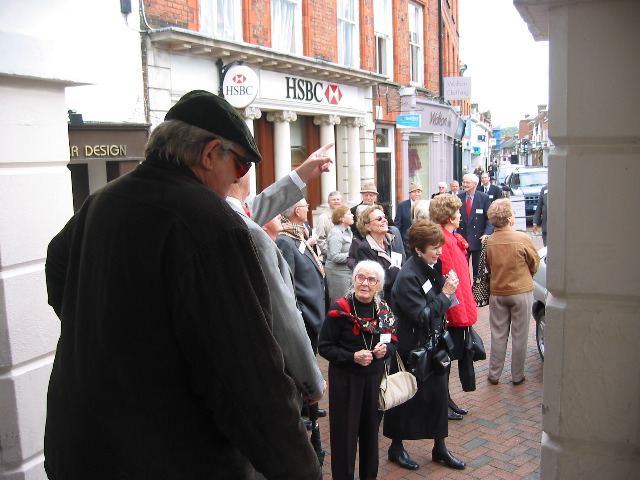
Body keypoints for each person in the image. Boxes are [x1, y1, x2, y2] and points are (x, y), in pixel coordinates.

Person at [44, 90, 324, 480]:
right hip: (164, 455)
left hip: (77, 446)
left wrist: (108, 336)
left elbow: (57, 265)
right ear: (210, 153)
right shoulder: (208, 221)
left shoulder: (104, 199)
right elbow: (250, 379)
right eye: (241, 165)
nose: (239, 179)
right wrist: (300, 470)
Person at [227, 172, 326, 405]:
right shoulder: (254, 234)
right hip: (267, 367)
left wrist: (303, 172)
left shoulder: (225, 215)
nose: (280, 219)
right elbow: (284, 310)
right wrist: (310, 381)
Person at [383, 220, 466, 471]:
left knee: (438, 396)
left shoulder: (430, 265)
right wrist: (446, 294)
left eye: (439, 246)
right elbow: (421, 315)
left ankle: (440, 448)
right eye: (434, 248)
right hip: (412, 349)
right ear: (418, 249)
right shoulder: (407, 276)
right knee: (406, 397)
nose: (439, 252)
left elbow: (434, 299)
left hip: (432, 345)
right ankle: (396, 448)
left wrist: (443, 288)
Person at [318, 260, 397, 480]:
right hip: (346, 381)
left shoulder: (383, 311)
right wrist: (351, 356)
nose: (365, 283)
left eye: (371, 279)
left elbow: (394, 340)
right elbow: (324, 347)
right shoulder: (340, 309)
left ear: (378, 285)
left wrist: (386, 349)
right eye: (360, 277)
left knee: (371, 436)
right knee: (345, 437)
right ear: (353, 280)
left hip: (373, 381)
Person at [276, 198, 330, 444]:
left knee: (311, 359)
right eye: (306, 206)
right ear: (297, 211)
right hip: (305, 316)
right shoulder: (286, 241)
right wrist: (301, 314)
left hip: (313, 314)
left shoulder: (299, 234)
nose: (308, 209)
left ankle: (310, 406)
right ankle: (302, 411)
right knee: (300, 366)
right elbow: (289, 285)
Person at [429, 194, 478, 420]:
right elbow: (448, 279)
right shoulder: (444, 240)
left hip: (458, 308)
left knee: (449, 358)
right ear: (450, 216)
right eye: (457, 212)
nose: (460, 215)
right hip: (451, 311)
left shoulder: (450, 237)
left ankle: (447, 400)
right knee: (445, 360)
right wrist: (456, 311)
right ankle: (442, 403)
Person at [485, 199, 540, 386]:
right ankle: (517, 375)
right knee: (520, 335)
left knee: (498, 334)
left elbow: (487, 265)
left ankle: (494, 373)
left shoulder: (490, 240)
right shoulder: (522, 238)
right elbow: (534, 262)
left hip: (498, 291)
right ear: (509, 218)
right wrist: (527, 275)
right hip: (520, 290)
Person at [353, 205, 405, 301]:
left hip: (397, 299)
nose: (384, 220)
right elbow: (376, 282)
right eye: (379, 219)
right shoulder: (365, 248)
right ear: (368, 226)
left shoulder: (391, 241)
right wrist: (395, 271)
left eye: (384, 217)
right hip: (381, 303)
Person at [457, 173, 495, 278]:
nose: (465, 184)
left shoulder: (483, 198)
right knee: (462, 269)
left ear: (475, 184)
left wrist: (487, 234)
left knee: (478, 271)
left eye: (467, 182)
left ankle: (477, 293)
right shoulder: (458, 198)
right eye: (463, 182)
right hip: (462, 240)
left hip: (478, 239)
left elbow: (490, 219)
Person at [325, 205, 354, 303]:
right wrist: (352, 254)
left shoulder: (348, 230)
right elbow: (335, 256)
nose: (352, 216)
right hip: (338, 275)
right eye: (349, 214)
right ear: (341, 218)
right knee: (340, 304)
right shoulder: (336, 233)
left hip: (348, 273)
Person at [315, 191, 343, 262]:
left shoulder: (347, 216)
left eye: (338, 199)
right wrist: (331, 254)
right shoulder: (323, 218)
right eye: (333, 200)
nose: (336, 201)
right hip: (330, 259)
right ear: (328, 202)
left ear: (342, 201)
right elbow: (320, 239)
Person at [394, 181, 423, 246]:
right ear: (409, 194)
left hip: (421, 241)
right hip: (406, 242)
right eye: (414, 192)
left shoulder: (425, 206)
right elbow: (397, 224)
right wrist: (398, 241)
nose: (416, 194)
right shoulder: (402, 206)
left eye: (418, 192)